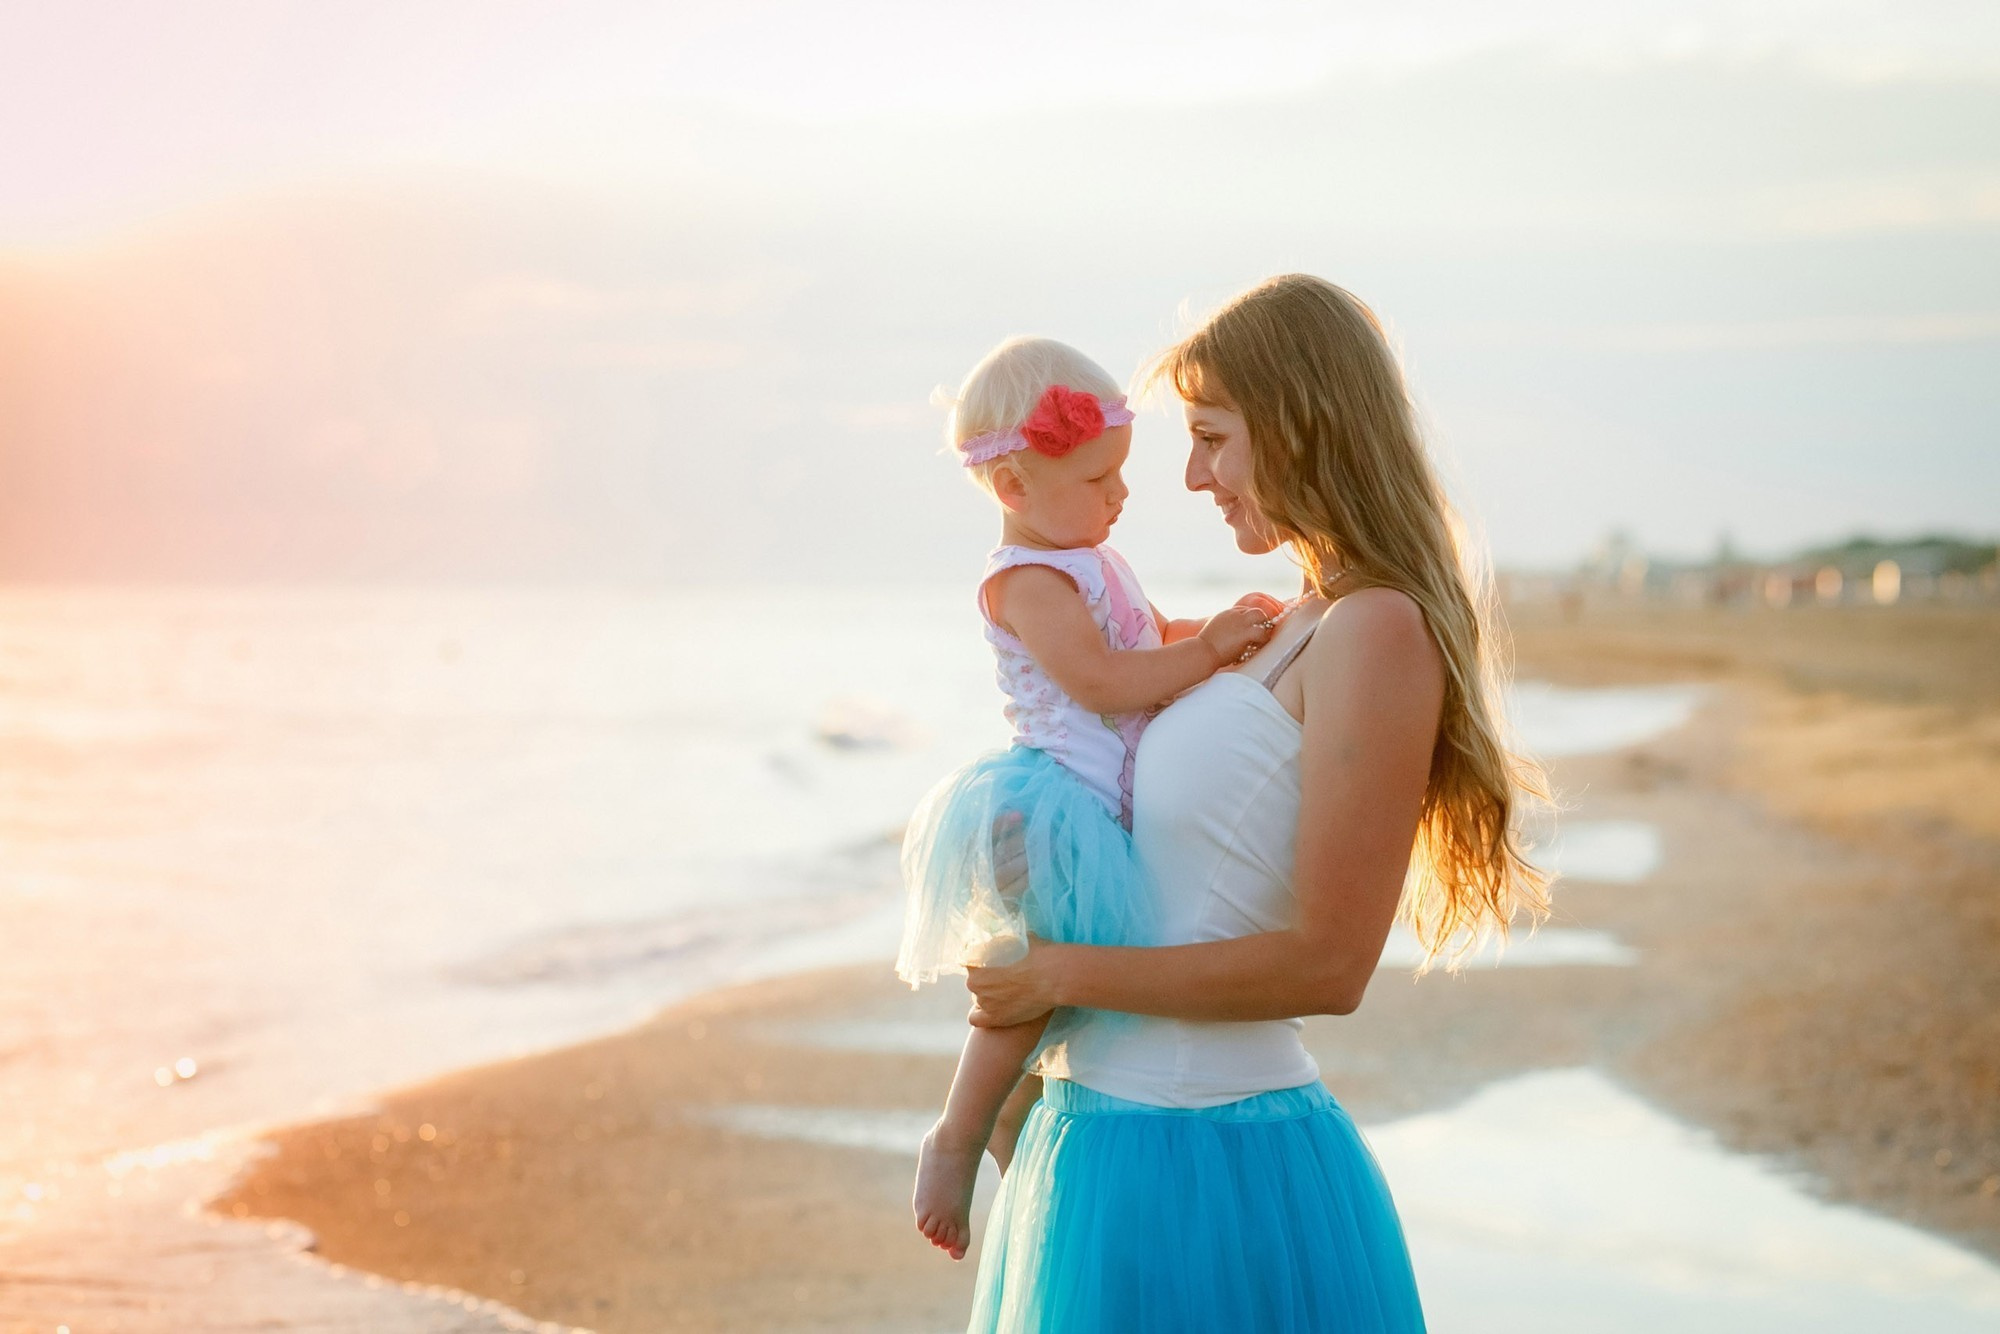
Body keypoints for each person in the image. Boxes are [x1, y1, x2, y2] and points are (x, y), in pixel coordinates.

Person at [962, 276, 1554, 1332]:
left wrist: (1055, 973)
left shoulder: (1372, 628)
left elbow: (1327, 963)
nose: (1190, 476)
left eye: (1212, 437)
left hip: (1213, 1151)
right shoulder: (1286, 620)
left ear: (1295, 422)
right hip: (1102, 1131)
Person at [896, 336, 1281, 1262]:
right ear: (1015, 487)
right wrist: (1208, 651)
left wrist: (1235, 632)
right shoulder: (1026, 579)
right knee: (1032, 979)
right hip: (1052, 810)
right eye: (1098, 477)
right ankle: (956, 1129)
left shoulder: (1088, 559)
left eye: (1120, 474)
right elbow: (1106, 680)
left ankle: (1014, 1104)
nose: (1121, 494)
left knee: (1060, 983)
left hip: (1090, 807)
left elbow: (1146, 636)